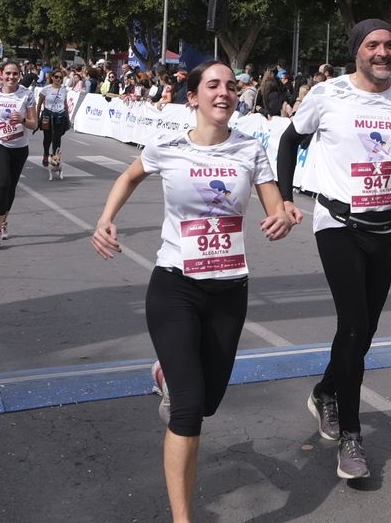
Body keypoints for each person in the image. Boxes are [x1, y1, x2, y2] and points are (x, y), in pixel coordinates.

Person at [90, 61, 299, 523]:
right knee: (187, 411)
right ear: (194, 97)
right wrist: (106, 219)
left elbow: (272, 204)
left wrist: (281, 217)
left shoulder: (251, 150)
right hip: (174, 287)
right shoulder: (167, 145)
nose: (223, 92)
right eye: (212, 85)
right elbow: (128, 176)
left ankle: (165, 376)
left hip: (229, 291)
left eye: (230, 85)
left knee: (207, 402)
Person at [276, 19, 391, 480]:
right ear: (356, 51)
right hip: (336, 222)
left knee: (366, 330)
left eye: (389, 45)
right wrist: (284, 198)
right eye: (372, 45)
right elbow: (291, 138)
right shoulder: (328, 94)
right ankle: (352, 438)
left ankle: (326, 391)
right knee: (353, 326)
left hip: (384, 226)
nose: (383, 52)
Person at [0, 60, 37, 246]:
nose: (11, 77)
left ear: (19, 75)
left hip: (20, 147)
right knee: (2, 183)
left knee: (11, 187)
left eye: (15, 74)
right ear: (1, 75)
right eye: (8, 73)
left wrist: (23, 120)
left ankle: (4, 223)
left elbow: (33, 124)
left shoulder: (26, 95)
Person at [38, 69, 71, 181]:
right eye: (56, 77)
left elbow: (65, 104)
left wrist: (68, 118)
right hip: (47, 115)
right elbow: (39, 104)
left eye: (60, 77)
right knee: (47, 138)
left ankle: (55, 158)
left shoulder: (64, 90)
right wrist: (38, 116)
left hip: (60, 116)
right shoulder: (45, 89)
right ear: (52, 77)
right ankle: (46, 154)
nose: (58, 79)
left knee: (57, 138)